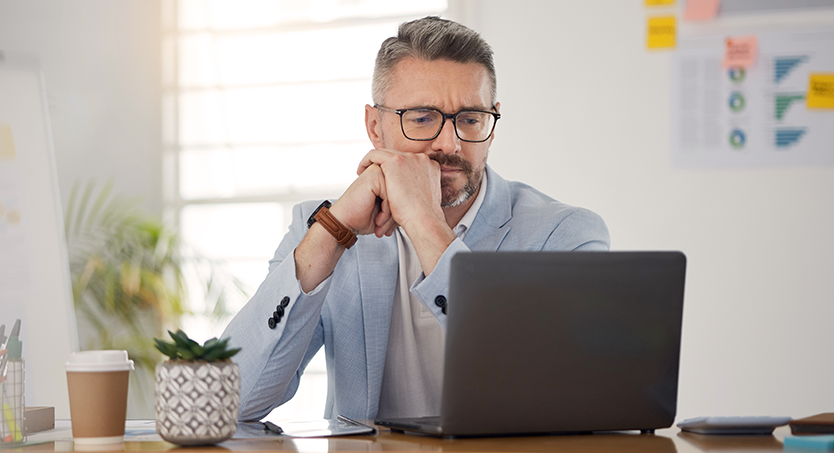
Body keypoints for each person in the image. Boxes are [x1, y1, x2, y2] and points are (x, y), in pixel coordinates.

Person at [222, 16, 610, 422]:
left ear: (492, 125)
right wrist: (331, 234)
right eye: (422, 118)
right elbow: (230, 403)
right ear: (375, 126)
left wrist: (425, 223)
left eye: (471, 118)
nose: (449, 142)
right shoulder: (322, 226)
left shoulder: (564, 235)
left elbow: (560, 395)